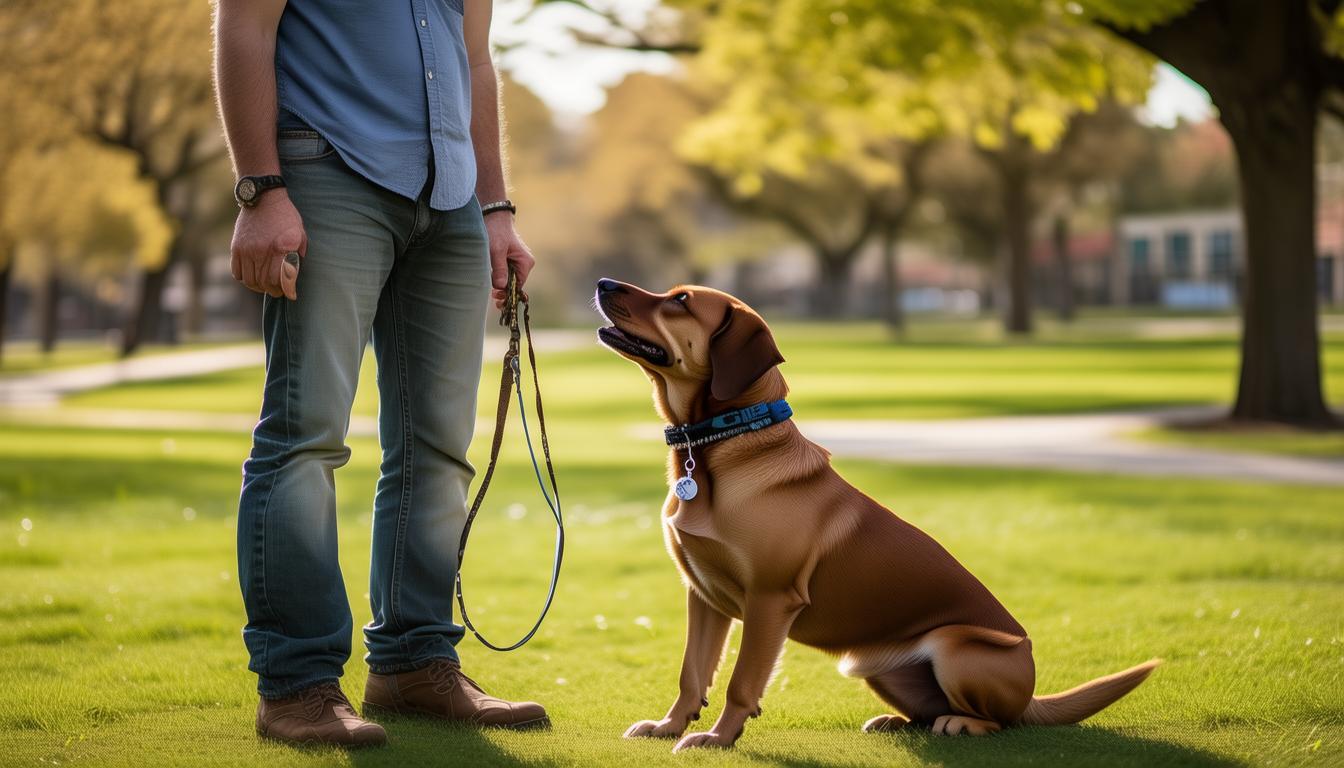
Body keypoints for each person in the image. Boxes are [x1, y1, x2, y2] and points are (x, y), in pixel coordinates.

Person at [214, 0, 543, 748]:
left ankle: (414, 663)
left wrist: (495, 207)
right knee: (305, 438)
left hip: (452, 198)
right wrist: (260, 190)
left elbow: (476, 60)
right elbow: (244, 25)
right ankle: (296, 686)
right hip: (326, 172)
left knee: (437, 448)